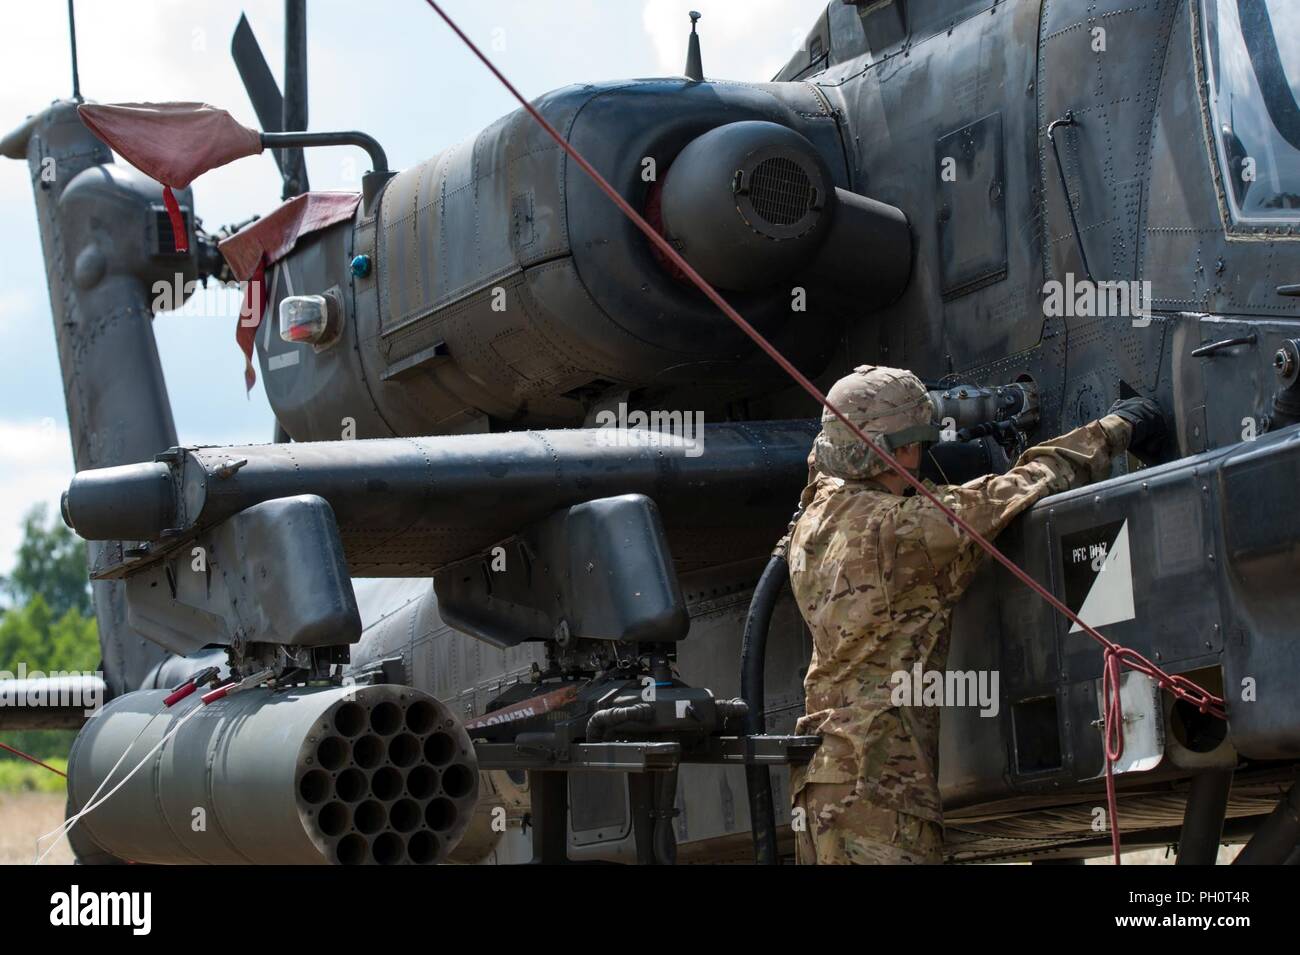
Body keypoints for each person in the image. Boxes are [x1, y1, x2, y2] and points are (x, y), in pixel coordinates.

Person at [786, 364, 1164, 864]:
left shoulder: (812, 517)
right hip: (880, 794)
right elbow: (1024, 486)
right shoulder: (903, 531)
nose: (921, 457)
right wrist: (1119, 427)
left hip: (822, 784)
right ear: (895, 450)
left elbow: (828, 453)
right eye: (916, 443)